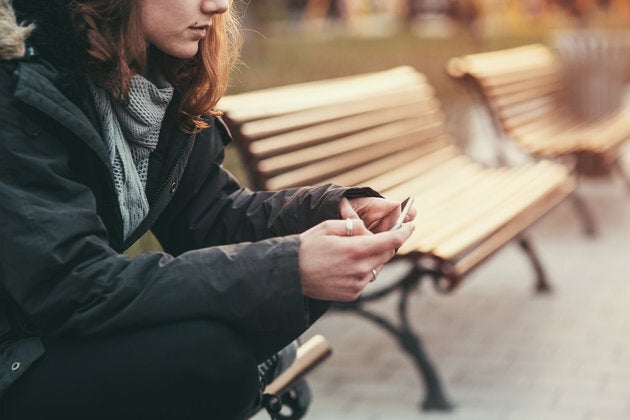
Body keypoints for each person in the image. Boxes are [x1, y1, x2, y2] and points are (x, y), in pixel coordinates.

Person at [0, 0, 416, 419]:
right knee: (213, 360)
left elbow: (209, 216)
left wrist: (329, 213)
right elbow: (73, 284)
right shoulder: (17, 83)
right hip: (13, 351)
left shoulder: (155, 79)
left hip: (55, 327)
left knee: (296, 285)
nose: (217, 6)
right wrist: (289, 266)